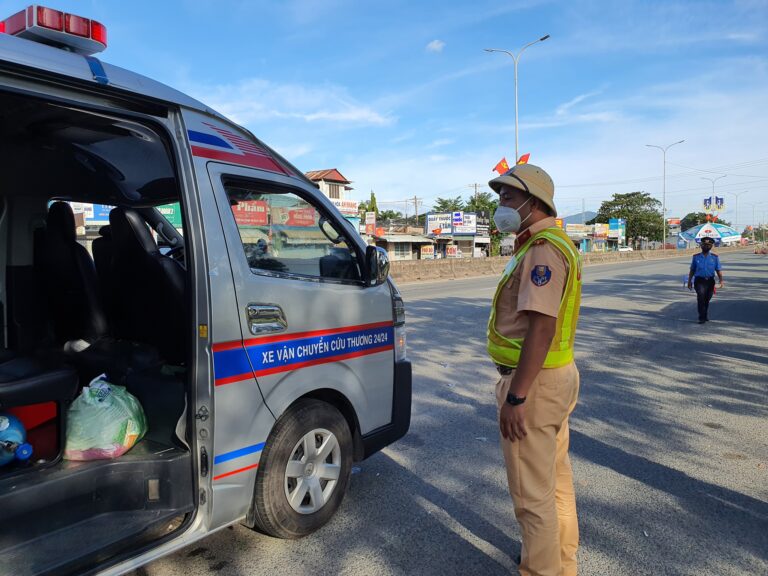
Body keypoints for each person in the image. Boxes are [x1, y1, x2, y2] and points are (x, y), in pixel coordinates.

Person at [487, 164, 582, 576]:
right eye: (501, 197)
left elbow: (541, 329)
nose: (501, 206)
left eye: (508, 197)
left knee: (532, 498)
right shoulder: (546, 244)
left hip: (535, 385)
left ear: (534, 203)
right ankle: (562, 565)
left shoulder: (543, 249)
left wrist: (516, 396)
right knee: (556, 483)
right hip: (556, 378)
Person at [687, 237, 724, 323]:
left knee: (707, 298)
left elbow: (718, 270)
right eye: (704, 245)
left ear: (711, 246)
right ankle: (701, 317)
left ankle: (705, 314)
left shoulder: (715, 257)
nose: (706, 246)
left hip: (710, 281)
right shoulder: (696, 257)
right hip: (699, 281)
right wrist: (689, 281)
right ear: (701, 245)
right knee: (701, 297)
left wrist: (721, 280)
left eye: (708, 245)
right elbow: (692, 269)